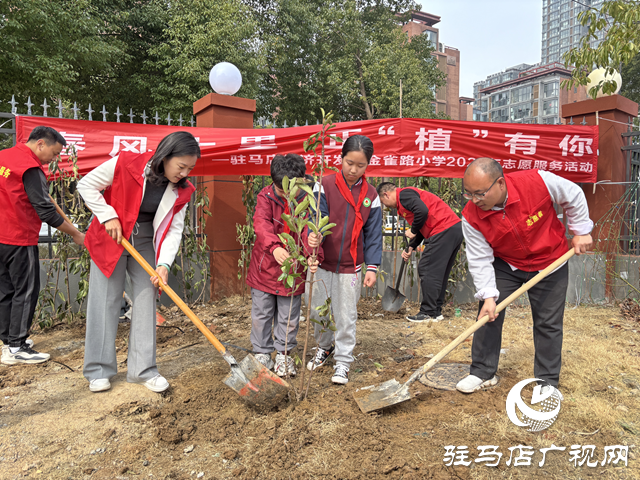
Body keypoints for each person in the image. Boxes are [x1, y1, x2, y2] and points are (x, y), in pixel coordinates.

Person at [456, 157, 592, 400]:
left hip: (551, 261)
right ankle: (482, 372)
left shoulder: (537, 181)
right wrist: (488, 295)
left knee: (548, 323)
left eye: (479, 193)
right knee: (489, 315)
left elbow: (573, 195)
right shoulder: (471, 215)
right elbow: (479, 257)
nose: (475, 200)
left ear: (500, 183)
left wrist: (581, 230)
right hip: (507, 264)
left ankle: (547, 381)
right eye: (469, 194)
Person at [77, 131, 199, 393]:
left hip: (144, 240)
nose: (184, 173)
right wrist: (107, 216)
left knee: (146, 298)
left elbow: (174, 229)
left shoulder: (184, 190)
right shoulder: (126, 163)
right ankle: (99, 369)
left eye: (190, 168)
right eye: (181, 166)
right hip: (113, 234)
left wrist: (164, 265)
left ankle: (143, 370)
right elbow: (86, 185)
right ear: (165, 157)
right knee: (106, 300)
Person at [0, 126, 85, 365]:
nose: (54, 159)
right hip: (19, 237)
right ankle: (17, 347)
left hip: (1, 236)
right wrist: (77, 235)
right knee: (26, 291)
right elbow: (46, 210)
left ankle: (8, 342)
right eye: (54, 153)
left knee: (6, 291)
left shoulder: (4, 156)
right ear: (40, 144)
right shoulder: (30, 168)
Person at [306, 135, 382, 385]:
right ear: (340, 158)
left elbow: (373, 234)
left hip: (351, 266)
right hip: (322, 262)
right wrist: (313, 239)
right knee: (318, 310)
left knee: (346, 315)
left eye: (360, 166)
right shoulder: (323, 185)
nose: (353, 170)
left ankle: (343, 361)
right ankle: (324, 347)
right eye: (349, 163)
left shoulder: (371, 194)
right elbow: (316, 217)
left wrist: (372, 267)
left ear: (368, 165)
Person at [246, 154, 318, 377]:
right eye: (281, 189)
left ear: (302, 181)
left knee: (289, 318)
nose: (287, 193)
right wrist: (275, 247)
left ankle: (284, 356)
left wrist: (312, 255)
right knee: (261, 314)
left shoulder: (308, 200)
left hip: (293, 271)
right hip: (264, 268)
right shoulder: (265, 196)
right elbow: (262, 224)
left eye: (292, 188)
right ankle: (262, 353)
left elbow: (310, 231)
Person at [377, 182, 463, 323]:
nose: (386, 206)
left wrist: (413, 230)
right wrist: (412, 246)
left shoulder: (403, 195)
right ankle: (435, 312)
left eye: (383, 202)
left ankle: (427, 313)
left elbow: (422, 212)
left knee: (428, 269)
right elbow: (423, 223)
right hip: (452, 229)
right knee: (439, 273)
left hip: (442, 229)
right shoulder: (406, 198)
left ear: (386, 194)